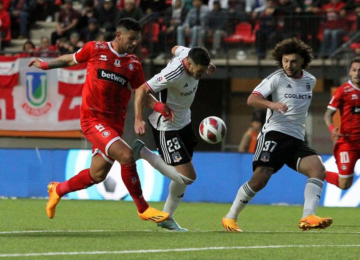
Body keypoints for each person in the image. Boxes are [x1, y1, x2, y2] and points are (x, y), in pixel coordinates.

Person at [28, 18, 169, 224]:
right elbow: (70, 59)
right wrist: (46, 65)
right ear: (119, 35)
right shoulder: (95, 49)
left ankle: (57, 190)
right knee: (126, 155)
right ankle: (143, 208)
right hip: (92, 119)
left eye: (137, 40)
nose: (134, 43)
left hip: (114, 126)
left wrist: (159, 107)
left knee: (97, 174)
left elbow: (141, 93)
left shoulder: (133, 64)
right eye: (131, 38)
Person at [222, 38, 333, 232]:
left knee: (318, 169)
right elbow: (252, 99)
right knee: (260, 179)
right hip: (274, 134)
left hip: (296, 138)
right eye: (285, 61)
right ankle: (230, 217)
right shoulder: (276, 78)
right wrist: (271, 104)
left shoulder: (310, 80)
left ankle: (308, 217)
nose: (288, 65)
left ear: (302, 62)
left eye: (293, 61)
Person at [132, 45, 216, 231]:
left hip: (185, 122)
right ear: (188, 64)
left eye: (204, 70)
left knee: (182, 175)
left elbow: (174, 48)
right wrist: (138, 119)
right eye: (199, 71)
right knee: (188, 177)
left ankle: (167, 217)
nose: (202, 74)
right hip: (167, 127)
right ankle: (143, 152)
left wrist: (209, 66)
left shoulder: (189, 54)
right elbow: (140, 91)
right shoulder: (172, 74)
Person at [324, 57, 360, 190]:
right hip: (348, 143)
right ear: (350, 72)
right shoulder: (343, 91)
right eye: (354, 70)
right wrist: (332, 129)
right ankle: (318, 172)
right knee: (344, 184)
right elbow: (327, 115)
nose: (357, 73)